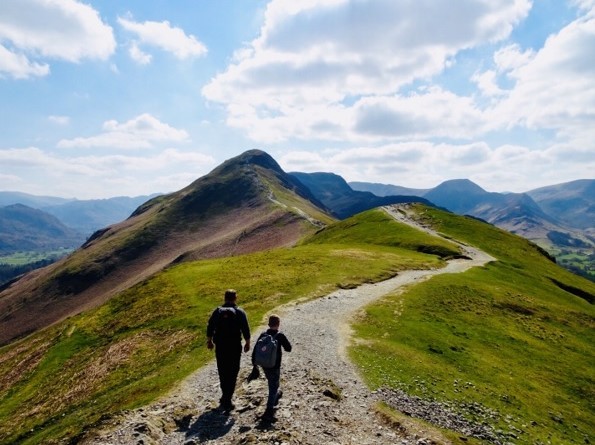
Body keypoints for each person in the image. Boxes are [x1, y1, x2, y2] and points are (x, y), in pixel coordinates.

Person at [206, 289, 251, 411]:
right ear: (235, 298)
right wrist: (247, 342)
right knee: (233, 370)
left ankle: (224, 395)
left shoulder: (217, 312)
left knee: (222, 370)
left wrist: (209, 341)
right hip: (234, 345)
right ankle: (228, 398)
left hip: (221, 346)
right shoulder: (239, 312)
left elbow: (210, 327)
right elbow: (245, 328)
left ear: (225, 298)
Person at [252, 314, 292, 419]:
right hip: (275, 365)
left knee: (272, 381)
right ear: (278, 324)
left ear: (269, 324)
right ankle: (269, 411)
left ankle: (276, 394)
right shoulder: (280, 335)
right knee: (273, 386)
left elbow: (256, 349)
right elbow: (288, 348)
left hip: (264, 364)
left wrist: (254, 364)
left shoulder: (263, 334)